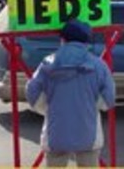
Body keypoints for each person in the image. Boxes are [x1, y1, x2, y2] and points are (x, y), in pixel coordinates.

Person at [26, 19, 116, 167]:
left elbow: (32, 93)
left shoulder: (48, 63)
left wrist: (47, 109)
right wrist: (92, 106)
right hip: (89, 135)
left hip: (55, 135)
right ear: (87, 41)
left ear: (63, 39)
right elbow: (108, 100)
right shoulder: (99, 65)